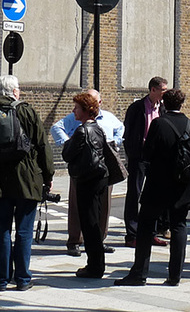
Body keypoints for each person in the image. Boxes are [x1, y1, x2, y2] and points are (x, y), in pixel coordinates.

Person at [0, 74, 55, 292]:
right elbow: (41, 145)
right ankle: (23, 280)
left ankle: (0, 280)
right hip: (27, 181)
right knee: (24, 232)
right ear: (15, 91)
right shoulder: (27, 111)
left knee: (3, 231)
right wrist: (48, 176)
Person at [115, 88, 190, 286]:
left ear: (164, 102)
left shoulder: (159, 124)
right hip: (183, 186)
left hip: (159, 185)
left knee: (146, 226)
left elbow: (147, 153)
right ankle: (175, 276)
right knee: (179, 226)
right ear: (181, 104)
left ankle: (139, 273)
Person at [51, 87, 123, 257]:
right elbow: (57, 128)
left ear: (98, 103)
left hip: (102, 167)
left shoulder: (107, 119)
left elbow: (121, 128)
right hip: (83, 167)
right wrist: (67, 142)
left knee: (103, 205)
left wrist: (116, 142)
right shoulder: (78, 123)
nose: (74, 110)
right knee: (77, 204)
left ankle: (98, 240)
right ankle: (75, 240)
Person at [61, 91, 111, 279]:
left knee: (88, 224)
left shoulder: (82, 130)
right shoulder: (98, 128)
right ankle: (97, 263)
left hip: (87, 179)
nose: (74, 111)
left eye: (77, 108)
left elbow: (67, 154)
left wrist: (67, 142)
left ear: (86, 110)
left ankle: (95, 266)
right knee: (94, 222)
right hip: (100, 178)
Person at [122, 75, 170, 247]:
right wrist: (132, 154)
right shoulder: (137, 108)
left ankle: (151, 232)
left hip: (156, 156)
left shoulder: (163, 108)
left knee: (154, 195)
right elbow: (127, 134)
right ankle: (132, 235)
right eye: (163, 90)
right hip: (139, 156)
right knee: (134, 193)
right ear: (153, 90)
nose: (166, 93)